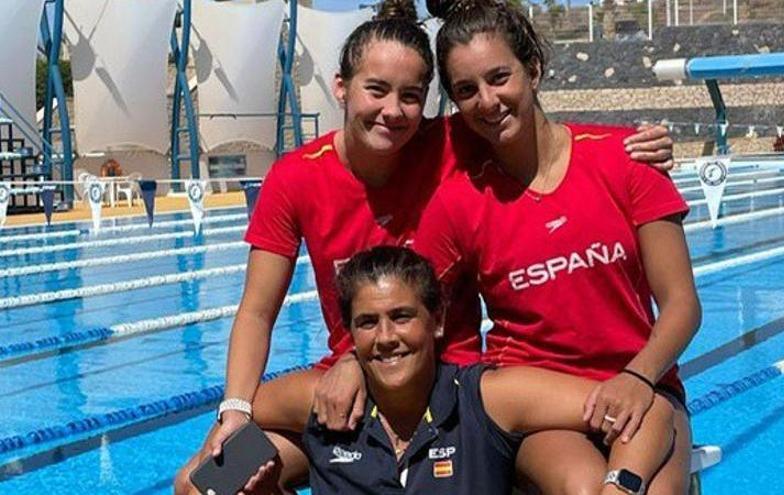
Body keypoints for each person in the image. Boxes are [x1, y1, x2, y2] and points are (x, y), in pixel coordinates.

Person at [173, 0, 676, 492]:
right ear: (341, 87)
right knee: (202, 484)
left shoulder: (452, 143)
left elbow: (513, 109)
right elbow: (257, 311)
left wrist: (630, 146)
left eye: (411, 95)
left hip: (447, 381)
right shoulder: (296, 178)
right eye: (377, 90)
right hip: (352, 382)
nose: (393, 111)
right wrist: (236, 411)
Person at [410, 0, 702, 493]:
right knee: (584, 487)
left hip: (646, 387)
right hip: (542, 407)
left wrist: (638, 376)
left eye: (499, 77)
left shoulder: (625, 159)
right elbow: (409, 300)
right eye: (466, 90)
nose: (487, 100)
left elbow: (681, 304)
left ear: (535, 69)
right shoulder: (460, 202)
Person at [243, 246, 676, 495]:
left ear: (438, 321)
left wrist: (620, 487)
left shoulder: (484, 399)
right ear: (349, 334)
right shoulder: (316, 400)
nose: (386, 337)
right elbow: (202, 475)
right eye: (367, 322)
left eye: (402, 316)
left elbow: (650, 410)